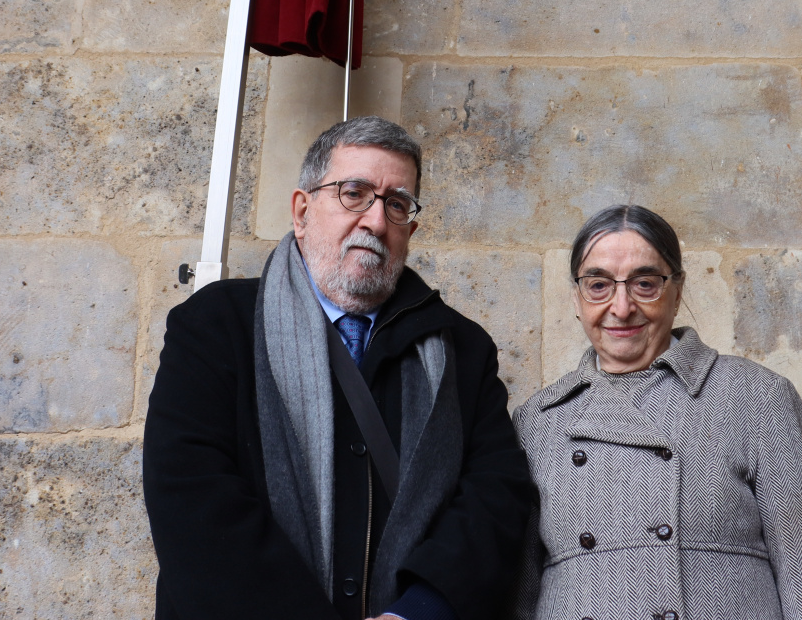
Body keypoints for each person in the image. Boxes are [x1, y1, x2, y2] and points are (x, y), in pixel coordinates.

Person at [144, 116, 535, 620]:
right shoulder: (216, 326)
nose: (376, 221)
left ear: (409, 229)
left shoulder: (463, 349)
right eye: (355, 193)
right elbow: (192, 498)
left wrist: (418, 612)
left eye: (396, 204)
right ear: (302, 211)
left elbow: (495, 496)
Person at [513, 204, 802, 620]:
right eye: (598, 285)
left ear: (677, 289)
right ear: (577, 297)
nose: (621, 307)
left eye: (645, 284)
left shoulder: (755, 396)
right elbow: (520, 593)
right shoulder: (538, 420)